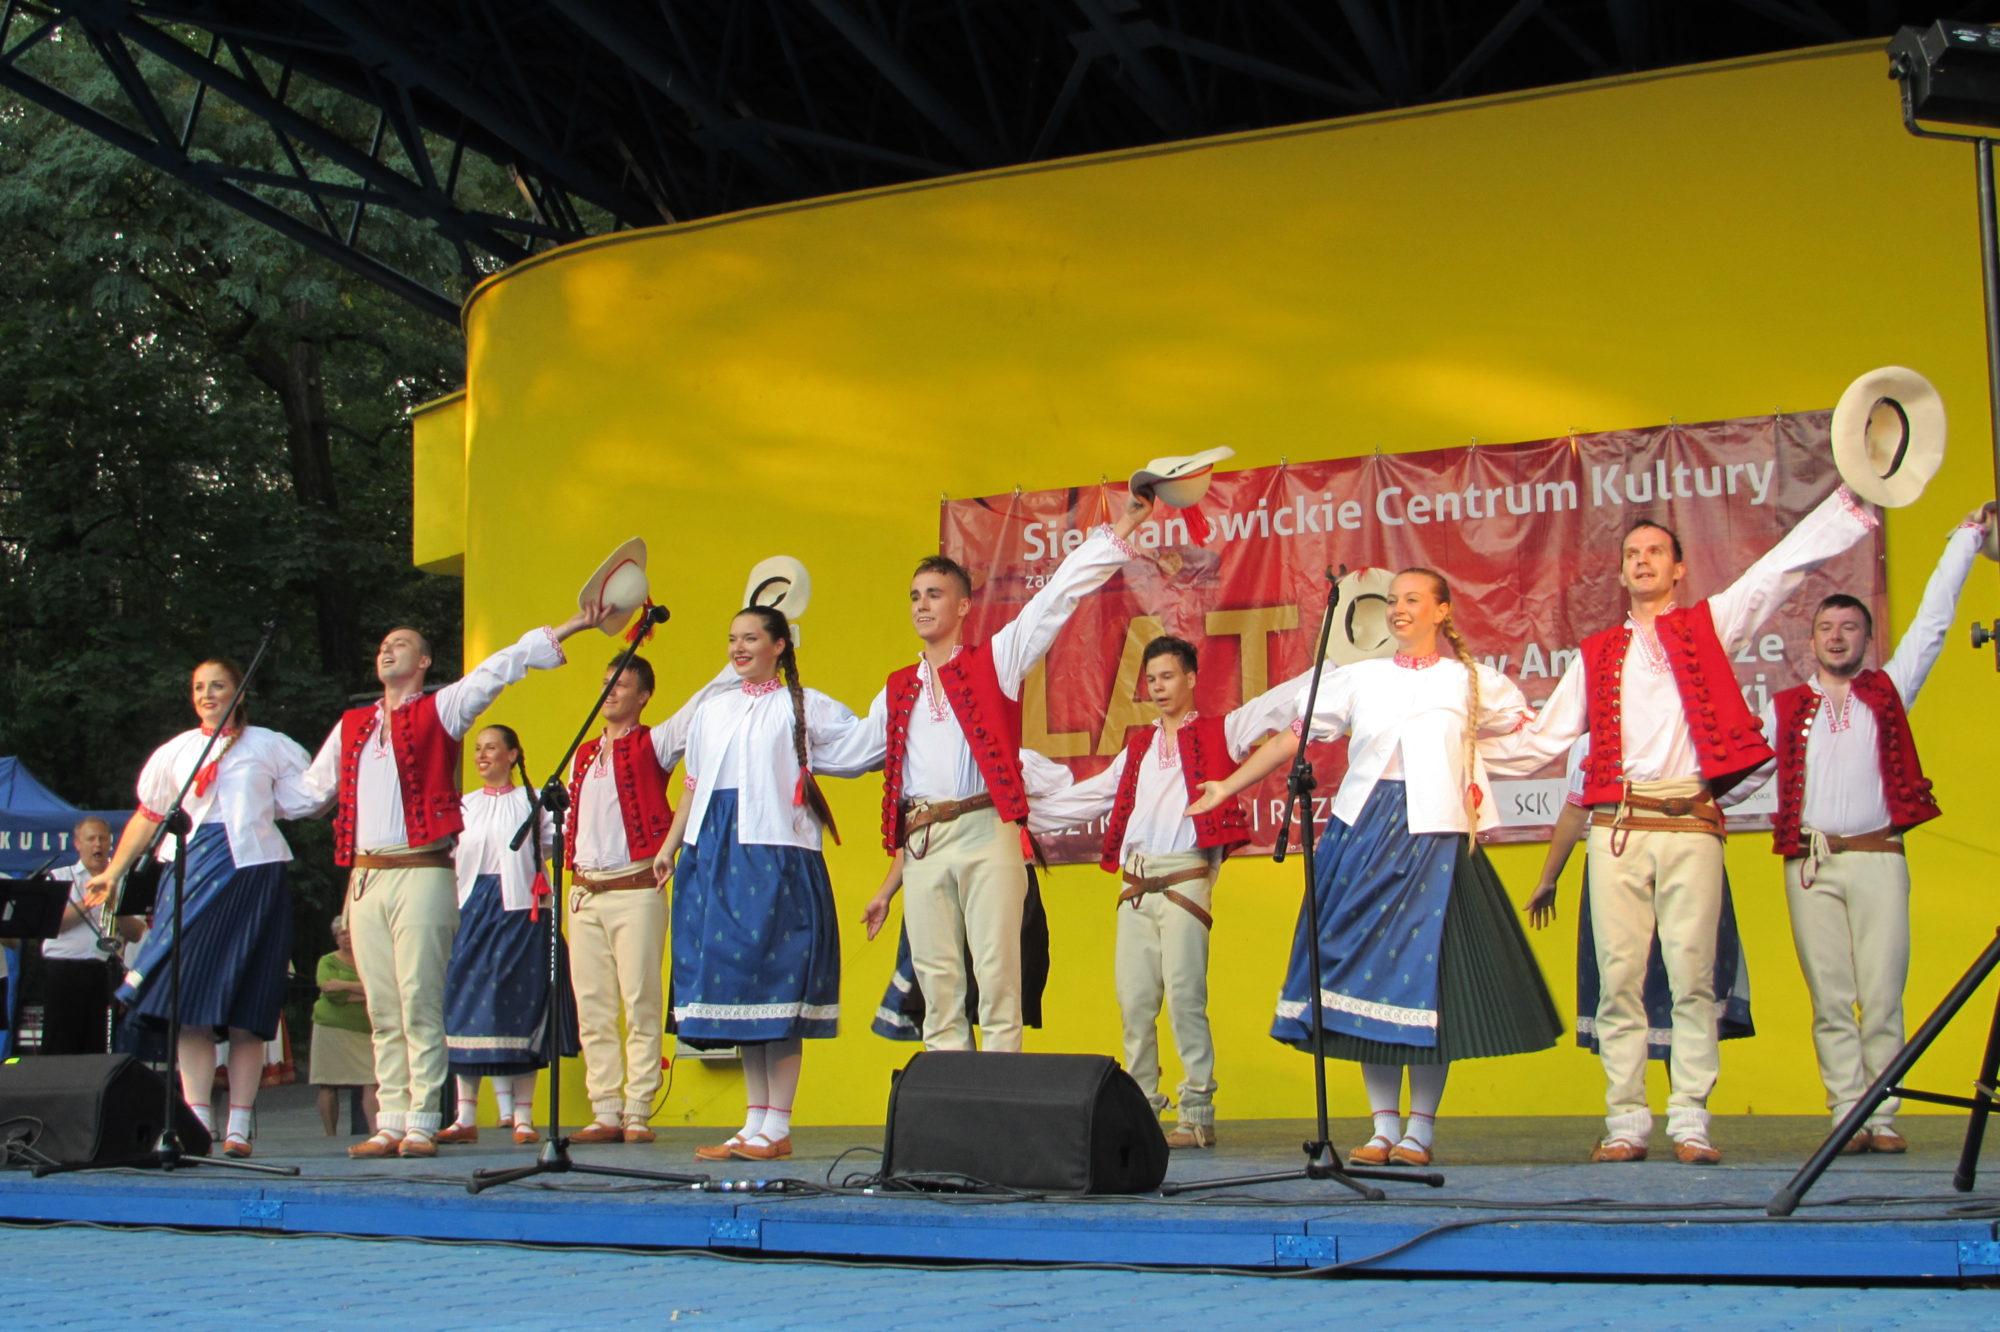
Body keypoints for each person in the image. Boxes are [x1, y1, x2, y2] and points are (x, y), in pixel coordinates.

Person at [1499, 486, 1879, 1163]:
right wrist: (1456, 740)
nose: (1642, 562)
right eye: (1632, 555)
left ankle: (1690, 1118)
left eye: (1656, 553)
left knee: (1693, 975)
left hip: (1692, 823)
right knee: (1618, 976)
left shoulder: (1709, 625)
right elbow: (1539, 739)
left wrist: (1849, 504)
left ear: (1678, 570)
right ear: (1620, 572)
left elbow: (1777, 571)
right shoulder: (1597, 653)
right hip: (1619, 825)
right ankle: (1624, 1119)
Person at [1188, 570, 1563, 1166]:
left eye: (1412, 600)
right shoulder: (1358, 678)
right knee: (1361, 976)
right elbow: (1295, 738)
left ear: (1442, 610)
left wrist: (1463, 768)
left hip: (1434, 836)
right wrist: (1228, 785)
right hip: (1361, 835)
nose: (1399, 610)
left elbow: (1532, 739)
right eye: (1392, 601)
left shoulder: (1471, 682)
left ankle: (1421, 1129)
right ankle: (1382, 1126)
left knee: (1428, 980)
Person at [300, 607, 615, 1161]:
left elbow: (501, 667)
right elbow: (305, 795)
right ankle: (391, 1119)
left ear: (423, 661)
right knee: (381, 1005)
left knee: (420, 996)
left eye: (400, 643)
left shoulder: (441, 709)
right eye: (382, 644)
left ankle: (423, 1117)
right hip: (367, 875)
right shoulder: (352, 727)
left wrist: (572, 626)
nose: (387, 650)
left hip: (421, 869)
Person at [1726, 506, 1990, 1154]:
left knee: (1882, 992)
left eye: (1849, 627)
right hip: (1810, 865)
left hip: (1879, 859)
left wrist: (1965, 539)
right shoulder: (1785, 708)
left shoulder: (1890, 691)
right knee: (1831, 997)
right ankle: (1847, 1111)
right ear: (1810, 639)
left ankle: (1884, 1113)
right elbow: (1743, 776)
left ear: (1867, 640)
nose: (1838, 636)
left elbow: (1932, 623)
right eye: (1826, 627)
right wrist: (1687, 809)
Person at [866, 493, 1154, 1052]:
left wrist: (1120, 527)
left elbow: (1057, 597)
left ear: (964, 606)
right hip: (922, 839)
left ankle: (1000, 1106)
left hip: (985, 829)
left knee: (998, 978)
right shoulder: (897, 687)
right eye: (915, 596)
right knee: (937, 980)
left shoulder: (995, 659)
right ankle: (954, 1107)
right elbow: (853, 748)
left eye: (935, 594)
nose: (922, 605)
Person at [1025, 637, 1307, 1148]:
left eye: (1168, 676)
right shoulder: (1138, 747)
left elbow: (1278, 706)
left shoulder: (1223, 730)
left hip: (1184, 877)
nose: (1158, 687)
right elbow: (1091, 797)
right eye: (1151, 679)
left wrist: (1336, 677)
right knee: (1134, 1002)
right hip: (1135, 882)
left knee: (1185, 998)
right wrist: (1023, 818)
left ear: (1191, 678)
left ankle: (1197, 1112)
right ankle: (1141, 1111)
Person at [654, 605, 878, 1162]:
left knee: (775, 985)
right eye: (732, 638)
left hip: (776, 855)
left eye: (751, 638)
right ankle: (753, 1122)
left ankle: (777, 1124)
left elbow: (861, 748)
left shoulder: (802, 706)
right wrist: (669, 846)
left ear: (779, 644)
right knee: (740, 994)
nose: (738, 647)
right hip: (715, 854)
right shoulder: (712, 710)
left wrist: (901, 702)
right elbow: (693, 784)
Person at [84, 659, 319, 1158]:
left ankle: (238, 1128)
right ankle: (194, 1123)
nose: (207, 694)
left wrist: (347, 758)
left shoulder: (269, 744)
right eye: (198, 687)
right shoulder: (176, 752)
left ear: (240, 691)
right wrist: (113, 872)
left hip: (253, 875)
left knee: (246, 1008)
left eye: (218, 686)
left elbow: (310, 798)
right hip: (189, 871)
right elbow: (148, 818)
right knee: (188, 1006)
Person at [563, 655, 731, 1145]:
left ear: (643, 696)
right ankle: (605, 1109)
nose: (610, 691)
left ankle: (637, 1108)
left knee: (639, 999)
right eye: (606, 683)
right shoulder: (582, 754)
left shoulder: (653, 743)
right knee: (592, 1006)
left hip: (635, 889)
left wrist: (733, 662)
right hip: (585, 891)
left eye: (622, 684)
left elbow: (700, 704)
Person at [438, 724, 572, 1146]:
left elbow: (554, 845)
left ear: (513, 755)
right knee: (464, 1003)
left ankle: (522, 1117)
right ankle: (464, 1117)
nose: (482, 756)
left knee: (520, 1005)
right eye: (478, 749)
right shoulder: (464, 805)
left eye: (492, 748)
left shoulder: (533, 802)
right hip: (471, 909)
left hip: (520, 911)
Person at [42, 817, 141, 1055]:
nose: (98, 844)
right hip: (63, 970)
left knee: (97, 1045)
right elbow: (53, 924)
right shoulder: (59, 876)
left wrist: (117, 904)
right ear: (77, 843)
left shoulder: (123, 880)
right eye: (91, 839)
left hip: (104, 970)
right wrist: (91, 901)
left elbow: (135, 934)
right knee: (60, 1042)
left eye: (103, 838)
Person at [311, 916, 378, 1135]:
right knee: (328, 1083)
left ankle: (376, 1133)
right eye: (342, 933)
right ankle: (330, 1134)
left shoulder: (371, 959)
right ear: (336, 938)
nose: (347, 936)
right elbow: (332, 994)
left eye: (350, 931)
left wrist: (344, 985)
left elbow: (381, 987)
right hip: (331, 1027)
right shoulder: (327, 961)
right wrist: (365, 991)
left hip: (365, 1029)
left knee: (372, 1081)